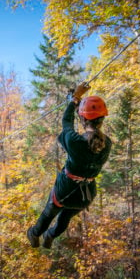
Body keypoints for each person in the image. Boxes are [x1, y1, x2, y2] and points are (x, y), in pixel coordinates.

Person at [27, 83, 112, 249]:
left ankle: (35, 233)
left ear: (82, 118)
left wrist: (75, 99)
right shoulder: (107, 143)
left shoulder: (75, 141)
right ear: (102, 120)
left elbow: (66, 122)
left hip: (66, 189)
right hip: (86, 195)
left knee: (49, 212)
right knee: (65, 218)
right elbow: (73, 132)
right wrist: (75, 101)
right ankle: (50, 236)